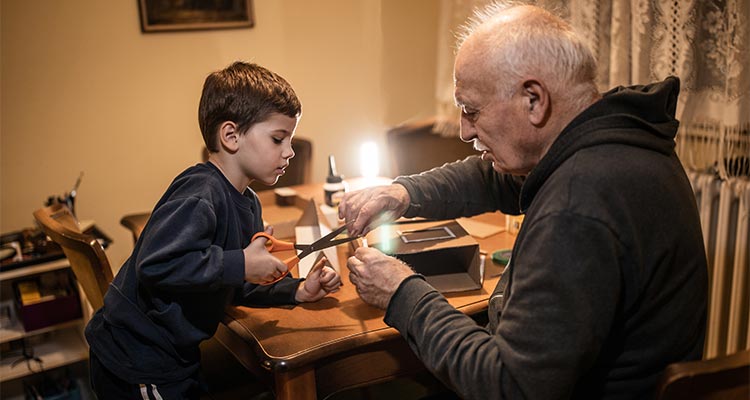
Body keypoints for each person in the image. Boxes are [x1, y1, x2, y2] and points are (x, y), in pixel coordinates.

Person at [339, 3, 707, 399]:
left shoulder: (579, 202)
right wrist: (405, 192)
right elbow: (498, 180)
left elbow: (508, 386)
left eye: (471, 110)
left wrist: (401, 292)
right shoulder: (615, 142)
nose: (464, 130)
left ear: (533, 99)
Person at [86, 61, 341, 399]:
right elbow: (156, 265)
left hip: (175, 356)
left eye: (290, 140)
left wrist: (295, 291)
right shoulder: (199, 193)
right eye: (278, 138)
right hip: (138, 360)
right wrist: (241, 263)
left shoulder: (248, 202)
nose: (290, 151)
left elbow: (235, 282)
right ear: (231, 136)